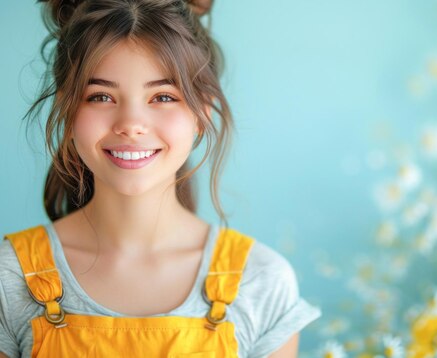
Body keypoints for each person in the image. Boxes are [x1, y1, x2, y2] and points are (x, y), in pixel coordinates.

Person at [0, 0, 320, 357]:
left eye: (163, 96)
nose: (131, 124)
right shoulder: (9, 277)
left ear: (203, 112)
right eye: (101, 96)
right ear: (67, 108)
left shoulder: (260, 280)